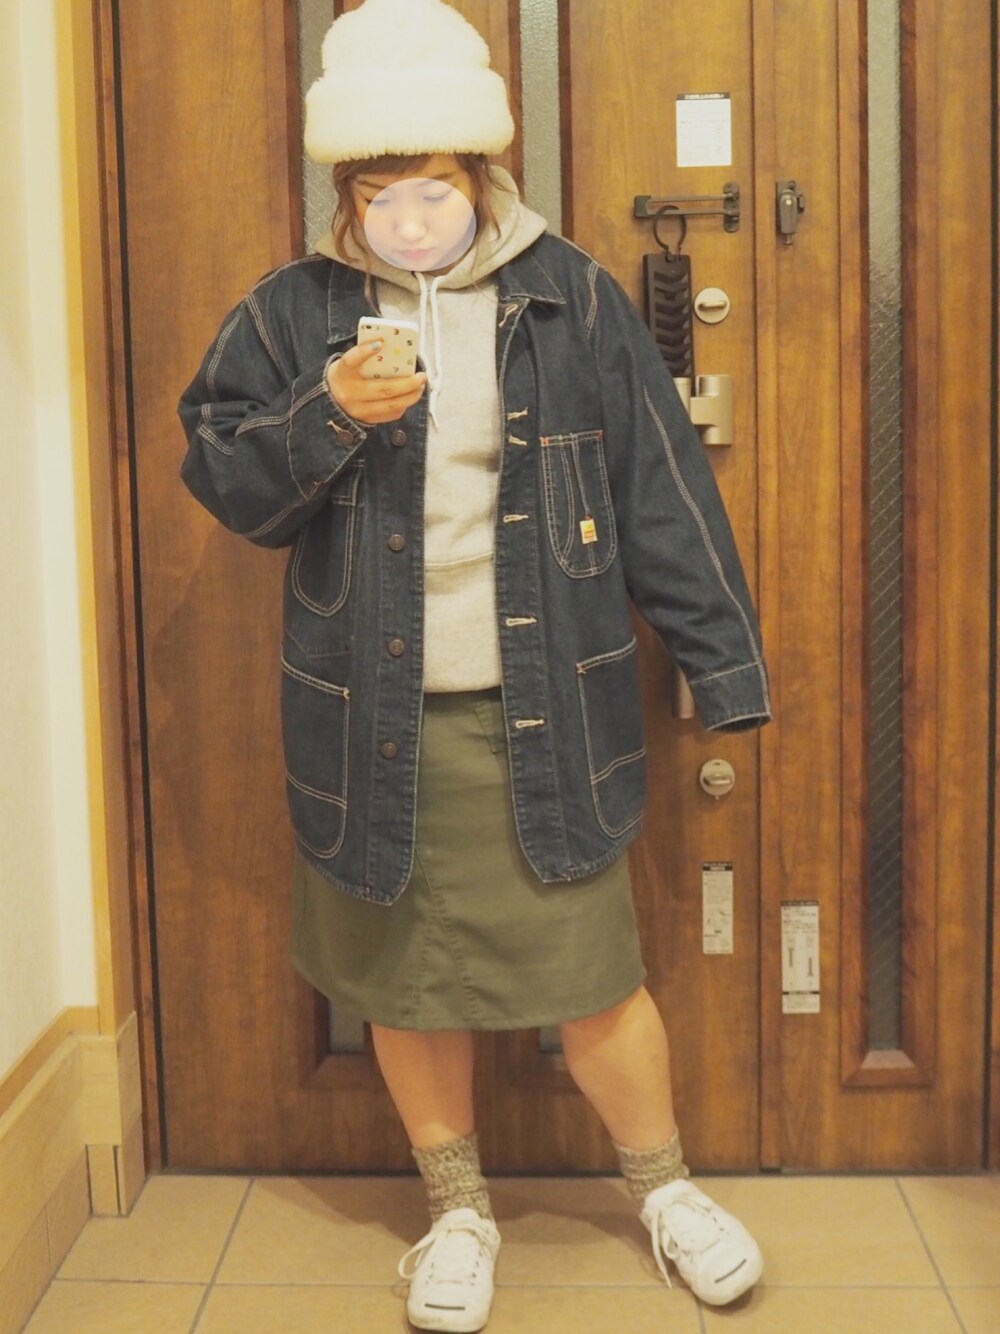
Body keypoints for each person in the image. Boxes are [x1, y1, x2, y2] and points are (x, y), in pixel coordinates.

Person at [178, 0, 772, 1329]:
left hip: (548, 706)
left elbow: (662, 493)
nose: (407, 218)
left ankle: (666, 1190)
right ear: (348, 194)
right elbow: (221, 476)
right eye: (378, 195)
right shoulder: (294, 313)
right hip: (368, 713)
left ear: (484, 174)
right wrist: (326, 415)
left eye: (432, 189)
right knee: (403, 977)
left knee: (596, 978)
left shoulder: (572, 300)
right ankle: (457, 1211)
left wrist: (721, 667)